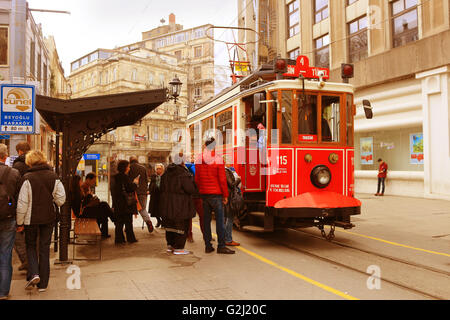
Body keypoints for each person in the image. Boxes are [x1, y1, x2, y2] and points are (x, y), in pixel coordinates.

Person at [16, 150, 66, 292]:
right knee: (44, 248)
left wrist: (19, 222)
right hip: (49, 218)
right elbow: (61, 199)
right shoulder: (54, 176)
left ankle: (34, 273)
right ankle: (43, 284)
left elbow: (22, 203)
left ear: (29, 161)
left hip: (30, 219)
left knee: (31, 246)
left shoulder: (27, 177)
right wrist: (53, 201)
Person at [195, 138, 235, 254]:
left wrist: (201, 190)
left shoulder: (198, 158)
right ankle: (221, 246)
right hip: (216, 195)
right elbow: (222, 180)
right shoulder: (217, 159)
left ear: (205, 145)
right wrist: (225, 195)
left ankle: (208, 246)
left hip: (204, 195)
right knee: (219, 221)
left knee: (206, 221)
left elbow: (197, 179)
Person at [159, 161, 198, 255]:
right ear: (182, 163)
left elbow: (161, 188)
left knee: (169, 225)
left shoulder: (165, 174)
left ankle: (170, 246)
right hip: (181, 204)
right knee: (181, 225)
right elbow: (190, 189)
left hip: (167, 204)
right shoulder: (183, 174)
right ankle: (179, 248)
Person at [0, 144, 20, 300]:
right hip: (8, 218)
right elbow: (19, 198)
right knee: (6, 254)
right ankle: (3, 292)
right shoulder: (14, 173)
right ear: (5, 156)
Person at [12, 142, 31, 272]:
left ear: (19, 151)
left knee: (17, 233)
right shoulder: (35, 164)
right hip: (35, 205)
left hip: (20, 203)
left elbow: (15, 187)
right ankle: (33, 260)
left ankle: (25, 260)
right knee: (32, 235)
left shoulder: (17, 166)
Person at [111, 160, 139, 244]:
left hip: (117, 203)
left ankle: (119, 239)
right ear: (125, 168)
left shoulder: (114, 178)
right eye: (128, 167)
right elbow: (130, 188)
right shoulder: (125, 177)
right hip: (125, 203)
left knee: (119, 223)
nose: (129, 168)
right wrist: (135, 183)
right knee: (128, 222)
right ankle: (131, 238)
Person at [81, 172, 114, 238]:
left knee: (104, 213)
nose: (94, 183)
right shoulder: (84, 187)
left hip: (89, 209)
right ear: (88, 179)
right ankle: (113, 217)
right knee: (104, 205)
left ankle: (112, 219)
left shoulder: (87, 187)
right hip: (86, 211)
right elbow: (85, 202)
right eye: (93, 181)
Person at [128, 157, 153, 233]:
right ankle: (148, 221)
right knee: (142, 209)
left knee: (129, 210)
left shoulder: (129, 168)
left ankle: (128, 227)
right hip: (142, 192)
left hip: (132, 192)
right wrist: (146, 190)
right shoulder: (143, 168)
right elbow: (146, 180)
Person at [224, 166, 241, 247]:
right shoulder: (225, 170)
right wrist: (239, 179)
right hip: (230, 197)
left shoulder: (224, 170)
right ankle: (228, 239)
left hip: (226, 196)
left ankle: (225, 238)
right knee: (229, 218)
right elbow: (231, 184)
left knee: (226, 218)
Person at [149, 163, 164, 228]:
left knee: (163, 210)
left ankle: (163, 222)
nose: (158, 170)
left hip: (162, 196)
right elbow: (150, 185)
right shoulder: (153, 176)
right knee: (154, 210)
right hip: (155, 195)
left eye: (159, 169)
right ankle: (159, 220)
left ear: (162, 169)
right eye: (157, 169)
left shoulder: (165, 176)